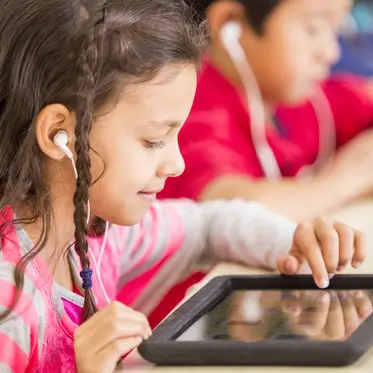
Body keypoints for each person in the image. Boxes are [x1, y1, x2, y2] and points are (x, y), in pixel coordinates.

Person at [0, 0, 367, 372]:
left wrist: (290, 245)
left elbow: (208, 225)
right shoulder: (9, 306)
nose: (177, 164)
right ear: (57, 133)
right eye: (154, 140)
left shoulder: (98, 233)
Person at [159, 0, 373, 221]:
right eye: (313, 29)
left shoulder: (298, 97)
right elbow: (230, 211)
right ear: (230, 24)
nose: (331, 53)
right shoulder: (192, 109)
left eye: (337, 28)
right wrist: (352, 176)